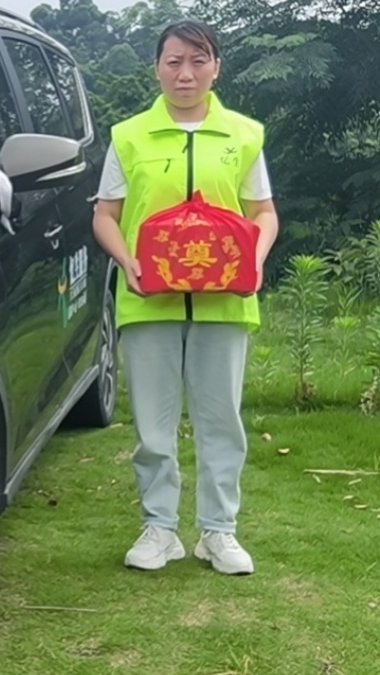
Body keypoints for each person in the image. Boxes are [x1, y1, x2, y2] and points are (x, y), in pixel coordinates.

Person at [92, 19, 280, 576]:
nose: (185, 74)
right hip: (147, 300)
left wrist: (255, 258)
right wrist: (126, 260)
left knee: (221, 420)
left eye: (198, 61)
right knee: (153, 425)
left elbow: (263, 213)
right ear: (157, 68)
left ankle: (219, 532)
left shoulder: (244, 135)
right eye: (174, 61)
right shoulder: (129, 136)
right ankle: (161, 528)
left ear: (216, 68)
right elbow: (105, 215)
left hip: (225, 302)